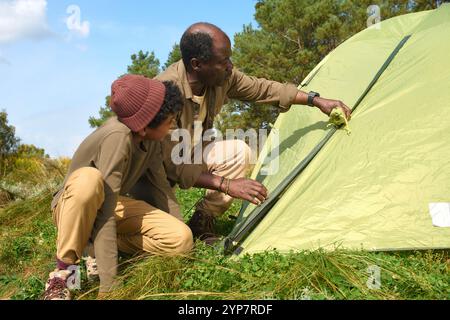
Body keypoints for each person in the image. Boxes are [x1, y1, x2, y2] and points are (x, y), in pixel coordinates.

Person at [129, 22, 351, 241]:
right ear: (197, 64)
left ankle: (202, 221)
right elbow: (173, 165)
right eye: (223, 60)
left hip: (188, 152)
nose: (230, 66)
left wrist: (315, 100)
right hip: (151, 171)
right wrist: (227, 185)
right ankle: (101, 239)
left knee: (237, 151)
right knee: (173, 240)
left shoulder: (222, 77)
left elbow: (262, 89)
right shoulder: (164, 93)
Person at [43, 75, 192, 300]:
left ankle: (92, 250)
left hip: (111, 205)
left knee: (180, 238)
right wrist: (109, 288)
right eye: (169, 120)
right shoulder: (117, 136)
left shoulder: (151, 140)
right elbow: (105, 215)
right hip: (73, 207)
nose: (172, 126)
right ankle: (64, 274)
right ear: (144, 126)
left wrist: (188, 248)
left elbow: (162, 190)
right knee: (89, 180)